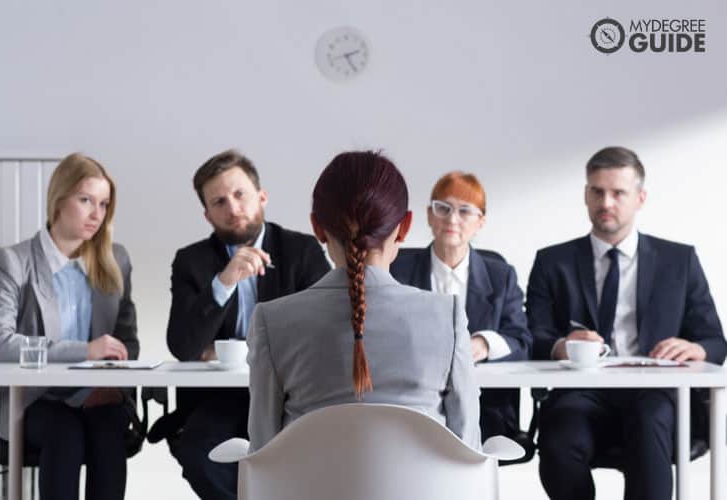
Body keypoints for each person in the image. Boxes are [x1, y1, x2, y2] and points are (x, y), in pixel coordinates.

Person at [526, 146, 726, 500]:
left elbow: (715, 341)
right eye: (597, 191)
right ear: (586, 195)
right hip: (580, 391)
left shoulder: (678, 261)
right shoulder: (552, 261)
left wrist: (694, 347)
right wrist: (565, 345)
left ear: (640, 198)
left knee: (650, 424)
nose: (607, 202)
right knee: (559, 438)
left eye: (618, 193)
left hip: (655, 393)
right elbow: (533, 335)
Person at [247, 150, 481, 452]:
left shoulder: (272, 321)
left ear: (317, 227)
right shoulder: (445, 317)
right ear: (405, 227)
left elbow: (263, 453)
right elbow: (468, 450)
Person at [165, 149, 330, 499]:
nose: (233, 208)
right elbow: (183, 347)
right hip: (218, 400)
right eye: (219, 202)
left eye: (240, 194)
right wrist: (224, 282)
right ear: (207, 214)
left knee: (309, 460)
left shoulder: (302, 251)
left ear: (261, 196)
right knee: (199, 456)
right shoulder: (191, 261)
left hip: (291, 396)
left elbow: (326, 330)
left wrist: (218, 350)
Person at [0, 153, 138, 500]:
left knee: (110, 428)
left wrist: (115, 383)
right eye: (85, 200)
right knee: (65, 435)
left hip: (96, 394)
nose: (96, 214)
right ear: (58, 199)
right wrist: (86, 351)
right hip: (34, 398)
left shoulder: (116, 261)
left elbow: (127, 340)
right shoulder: (12, 261)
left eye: (104, 204)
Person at [390, 171, 531, 441]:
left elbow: (522, 341)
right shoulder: (398, 268)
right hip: (413, 403)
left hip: (486, 407)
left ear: (481, 221)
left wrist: (483, 345)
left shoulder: (501, 276)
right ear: (429, 215)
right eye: (442, 208)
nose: (452, 219)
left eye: (465, 211)